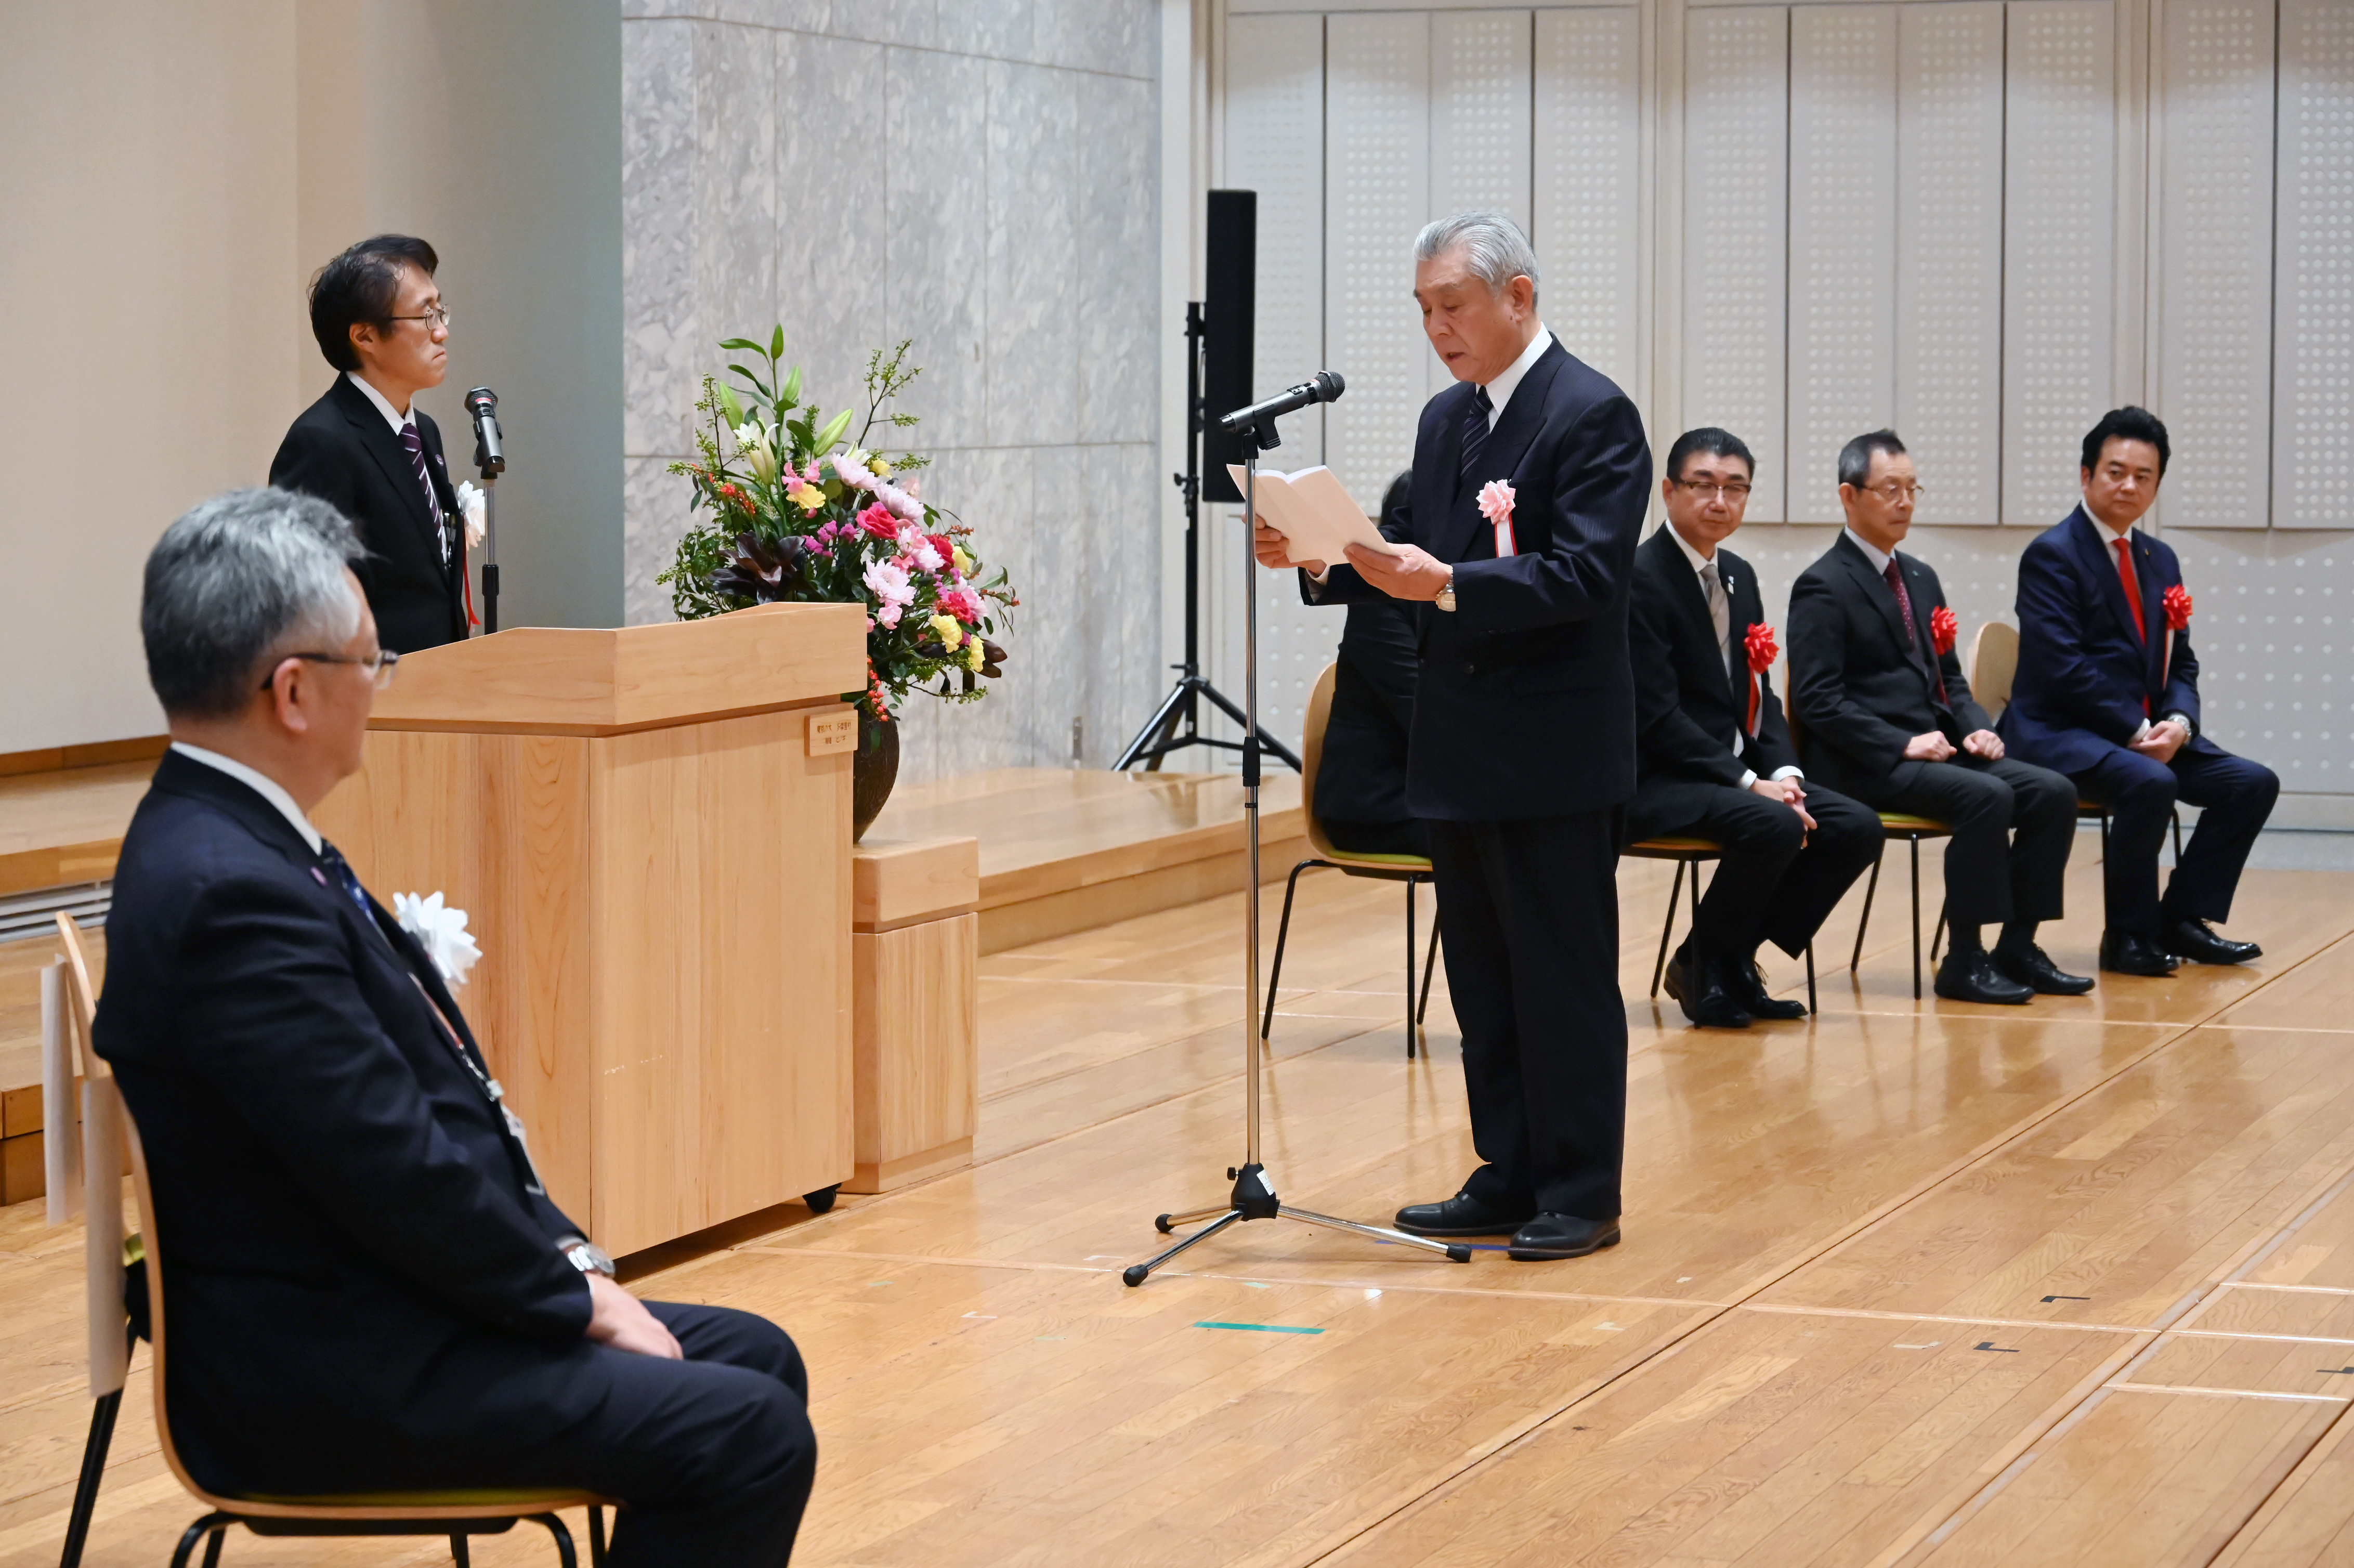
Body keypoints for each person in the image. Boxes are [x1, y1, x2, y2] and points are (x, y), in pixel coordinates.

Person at [95, 489, 814, 1565]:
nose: (381, 685)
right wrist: (568, 1300)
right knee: (745, 1435)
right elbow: (388, 1162)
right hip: (324, 1371)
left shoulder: (234, 838)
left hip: (366, 1309)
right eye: (372, 662)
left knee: (755, 1359)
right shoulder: (228, 892)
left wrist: (568, 1266)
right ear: (293, 691)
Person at [1254, 211, 1650, 1261]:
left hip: (1552, 750)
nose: (1436, 329)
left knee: (1560, 976)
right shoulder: (1446, 422)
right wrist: (1320, 558)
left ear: (1517, 297)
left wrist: (1450, 582)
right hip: (1460, 744)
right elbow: (1408, 560)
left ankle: (1580, 1187)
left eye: (1452, 306)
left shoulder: (1592, 413)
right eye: (1423, 310)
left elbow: (1586, 575)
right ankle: (1506, 1169)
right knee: (1482, 977)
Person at [1787, 430, 2087, 1006]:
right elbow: (1817, 700)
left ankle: (2017, 946)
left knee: (2053, 793)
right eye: (1889, 489)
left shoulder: (1920, 577)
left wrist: (1976, 726)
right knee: (1986, 798)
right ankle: (1964, 959)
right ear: (1849, 496)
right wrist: (1901, 743)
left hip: (1935, 752)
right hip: (1865, 761)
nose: (1904, 502)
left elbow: (1948, 677)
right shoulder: (1823, 584)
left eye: (1912, 489)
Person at [1999, 407, 2277, 974]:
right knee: (2151, 782)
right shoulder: (2052, 554)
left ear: (2156, 485)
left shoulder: (2160, 558)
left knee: (2251, 784)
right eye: (2116, 472)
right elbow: (2062, 669)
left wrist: (2179, 723)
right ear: (2086, 476)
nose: (2129, 486)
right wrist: (2138, 729)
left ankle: (2181, 919)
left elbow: (2182, 661)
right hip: (2063, 732)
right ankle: (2128, 937)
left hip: (2144, 732)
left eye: (2143, 476)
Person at [1629, 428, 1884, 1028]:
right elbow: (1655, 716)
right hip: (1657, 776)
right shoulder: (1639, 577)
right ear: (1668, 491)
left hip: (1730, 774)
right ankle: (1711, 967)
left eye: (1735, 488)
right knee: (1772, 822)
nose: (1719, 500)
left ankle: (1723, 956)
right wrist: (1749, 782)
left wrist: (1785, 772)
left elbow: (1757, 696)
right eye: (1703, 485)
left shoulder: (1738, 574)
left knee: (1855, 827)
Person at [270, 234, 469, 654]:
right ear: (365, 337)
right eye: (426, 316)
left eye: (440, 311)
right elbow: (306, 602)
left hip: (445, 677)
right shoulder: (320, 442)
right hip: (375, 686)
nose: (442, 332)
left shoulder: (425, 431)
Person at [1316, 471, 1425, 857]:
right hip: (1375, 807)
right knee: (1507, 840)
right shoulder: (1376, 606)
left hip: (1424, 796)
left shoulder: (1446, 593)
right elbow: (1420, 712)